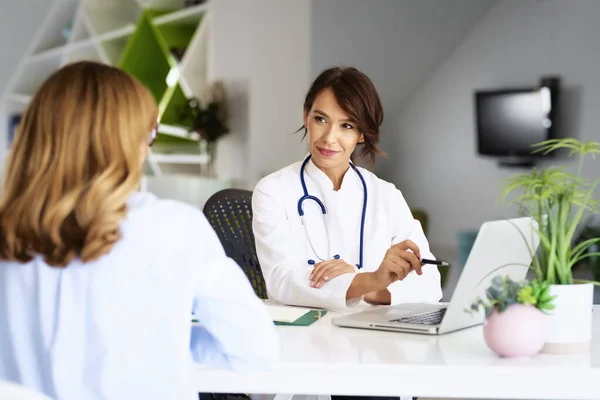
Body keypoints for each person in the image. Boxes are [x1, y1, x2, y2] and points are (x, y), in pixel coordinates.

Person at [0, 61, 279, 400]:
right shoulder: (175, 227)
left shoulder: (9, 231)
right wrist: (168, 342)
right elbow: (255, 349)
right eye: (148, 134)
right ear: (127, 142)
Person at [252, 67, 442, 312]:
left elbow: (430, 284)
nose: (330, 138)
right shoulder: (273, 191)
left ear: (362, 134)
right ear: (305, 117)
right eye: (320, 119)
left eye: (347, 126)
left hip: (371, 335)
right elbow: (282, 280)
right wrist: (369, 279)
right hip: (303, 334)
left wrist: (368, 286)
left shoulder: (386, 196)